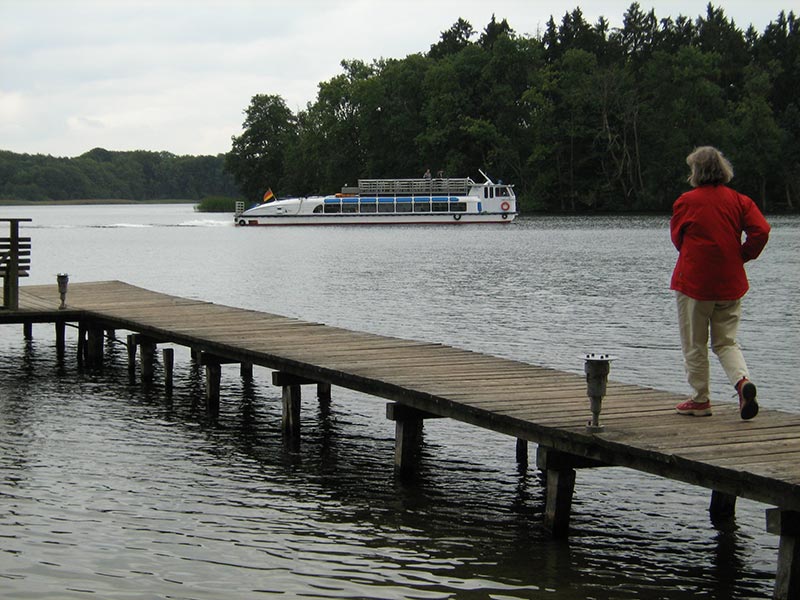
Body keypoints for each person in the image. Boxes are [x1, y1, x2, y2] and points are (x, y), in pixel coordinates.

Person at [670, 146, 770, 419]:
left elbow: (678, 239)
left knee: (695, 343)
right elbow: (761, 231)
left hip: (694, 283)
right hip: (730, 283)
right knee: (726, 342)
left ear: (697, 172)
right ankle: (742, 383)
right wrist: (741, 256)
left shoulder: (686, 202)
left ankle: (700, 400)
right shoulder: (739, 201)